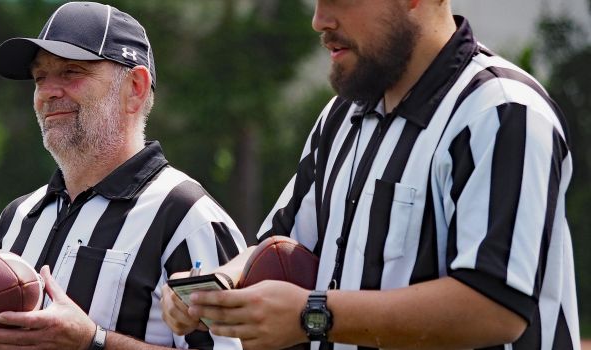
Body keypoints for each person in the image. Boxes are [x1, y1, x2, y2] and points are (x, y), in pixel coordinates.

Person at [161, 0, 580, 349]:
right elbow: (285, 241)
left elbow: (495, 307)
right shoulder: (343, 114)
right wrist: (218, 284)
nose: (319, 21)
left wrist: (314, 314)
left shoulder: (503, 111)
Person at [0, 2, 249, 349]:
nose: (48, 92)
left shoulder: (188, 217)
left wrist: (93, 341)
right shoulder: (18, 217)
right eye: (40, 78)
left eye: (71, 72)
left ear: (135, 88)